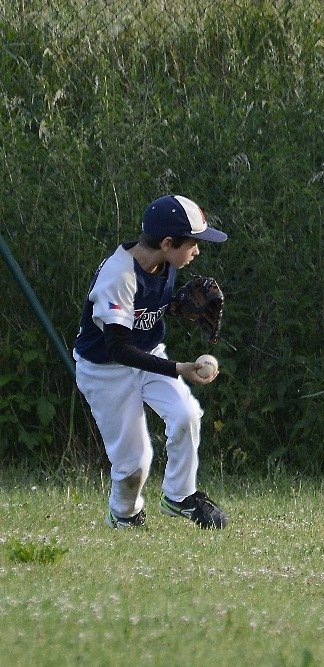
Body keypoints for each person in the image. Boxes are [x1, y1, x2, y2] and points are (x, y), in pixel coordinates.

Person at [74, 194, 229, 530]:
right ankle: (124, 515)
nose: (197, 251)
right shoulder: (118, 276)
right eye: (193, 244)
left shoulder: (166, 263)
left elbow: (146, 308)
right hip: (105, 371)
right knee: (134, 464)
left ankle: (180, 496)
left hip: (148, 354)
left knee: (186, 414)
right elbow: (118, 349)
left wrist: (175, 306)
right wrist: (179, 368)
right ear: (168, 242)